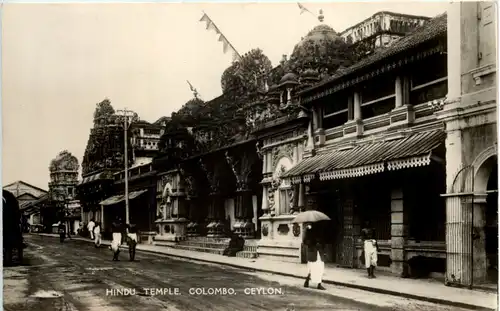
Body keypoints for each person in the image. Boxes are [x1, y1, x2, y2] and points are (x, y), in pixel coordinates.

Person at [303, 223, 326, 290]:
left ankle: (309, 281)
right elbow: (305, 241)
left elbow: (322, 240)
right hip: (313, 252)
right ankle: (317, 284)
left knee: (317, 267)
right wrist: (314, 242)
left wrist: (319, 243)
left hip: (318, 252)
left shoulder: (318, 229)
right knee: (315, 267)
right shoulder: (309, 230)